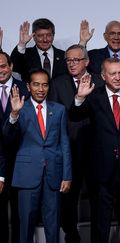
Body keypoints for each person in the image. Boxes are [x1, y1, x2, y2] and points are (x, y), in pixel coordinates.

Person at [69, 58, 120, 243]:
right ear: (103, 76)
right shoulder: (93, 96)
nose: (117, 77)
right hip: (101, 172)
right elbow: (74, 115)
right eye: (113, 73)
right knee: (100, 225)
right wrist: (80, 97)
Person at [4, 68, 72, 243]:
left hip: (53, 176)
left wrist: (67, 175)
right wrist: (13, 115)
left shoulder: (59, 110)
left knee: (53, 225)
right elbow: (7, 138)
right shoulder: (19, 108)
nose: (40, 89)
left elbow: (64, 143)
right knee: (25, 225)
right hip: (27, 175)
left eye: (44, 85)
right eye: (36, 84)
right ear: (28, 86)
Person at [48, 44, 104, 243]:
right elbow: (53, 118)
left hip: (97, 152)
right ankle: (72, 236)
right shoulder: (57, 83)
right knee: (68, 201)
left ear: (87, 62)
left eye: (76, 60)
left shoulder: (100, 80)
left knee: (99, 200)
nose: (71, 64)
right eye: (68, 60)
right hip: (69, 151)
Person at [0, 51, 28, 243]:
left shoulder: (26, 90)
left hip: (22, 163)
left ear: (10, 66)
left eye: (2, 66)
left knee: (22, 216)